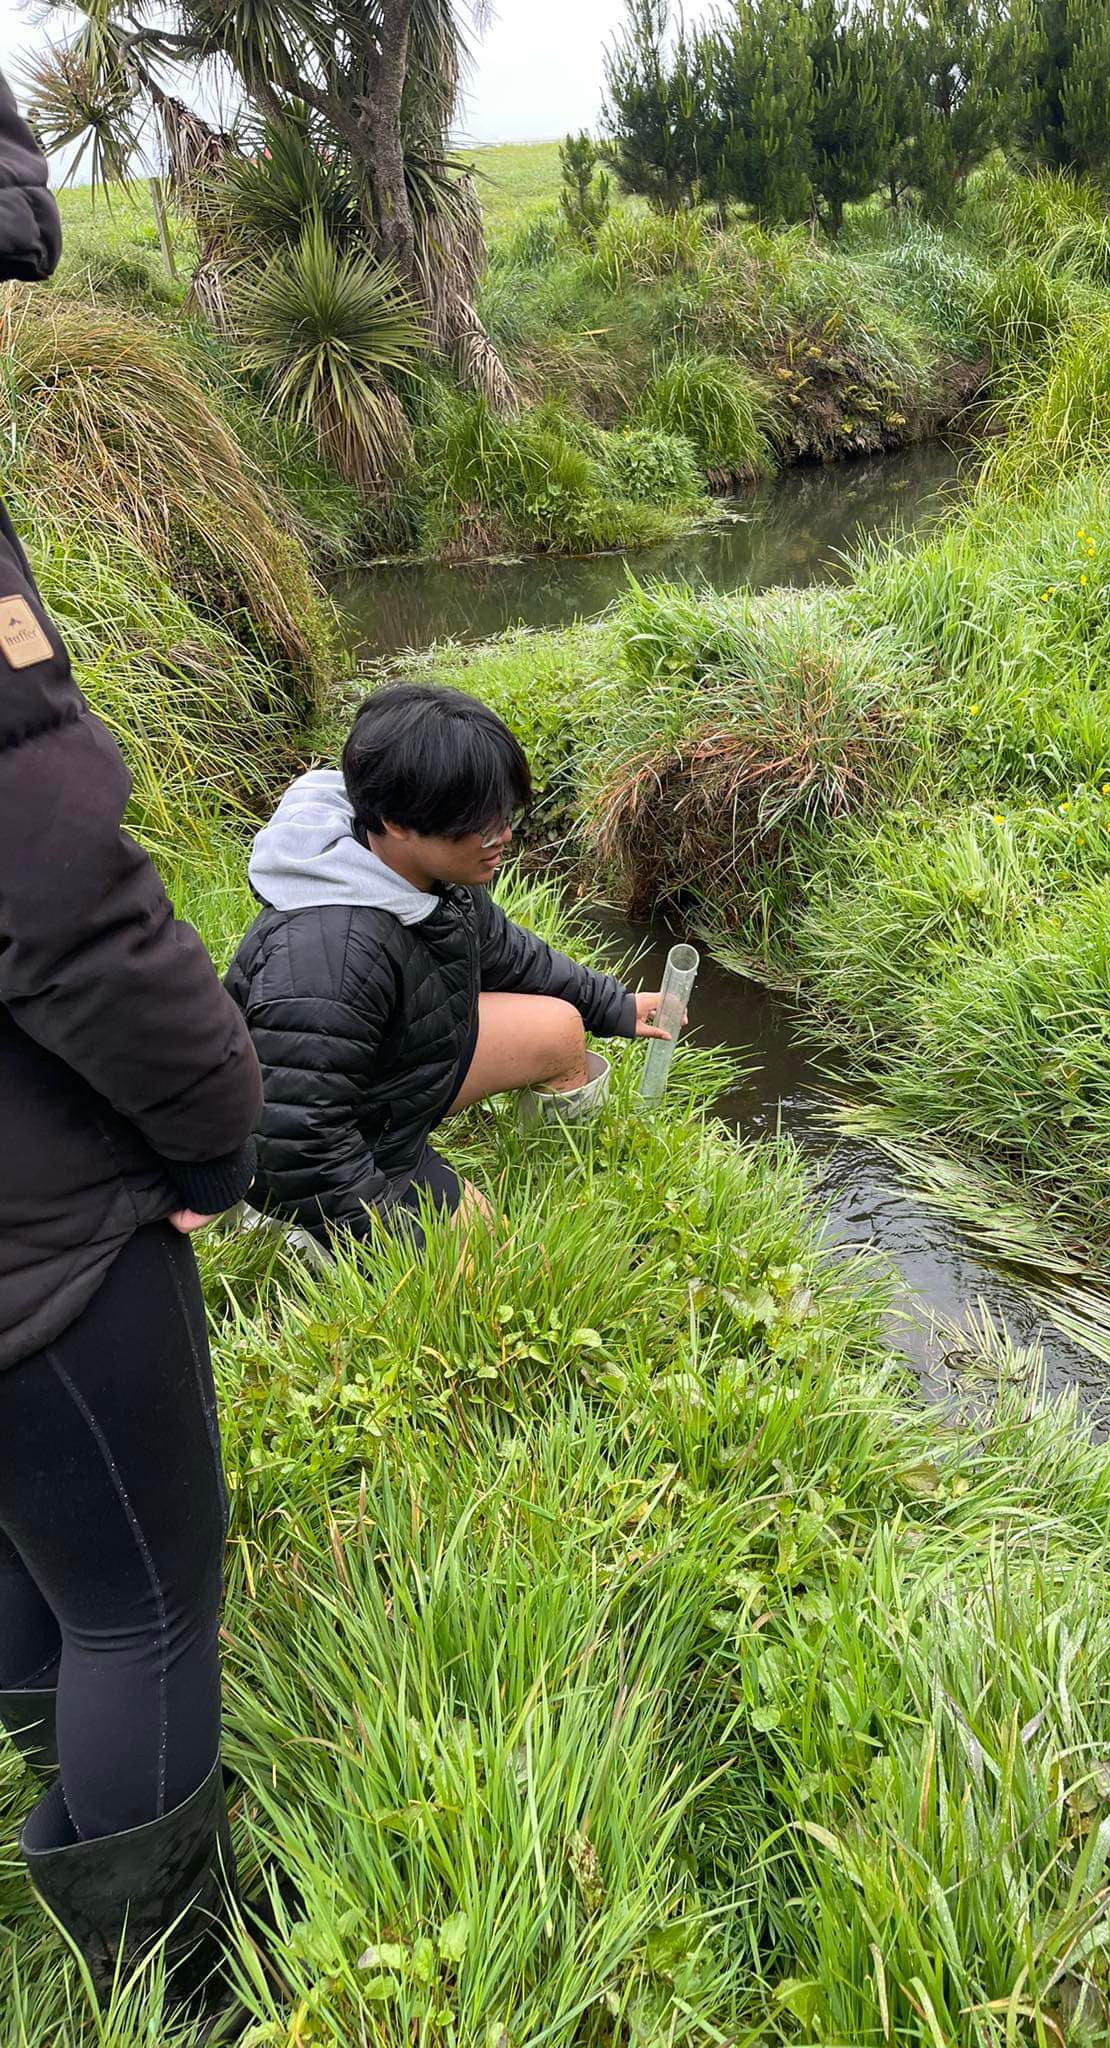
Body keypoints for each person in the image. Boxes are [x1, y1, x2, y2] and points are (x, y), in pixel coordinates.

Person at [0, 67, 263, 2008]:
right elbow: (67, 898)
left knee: (43, 1540)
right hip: (32, 1215)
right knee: (151, 1603)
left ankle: (36, 1757)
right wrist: (216, 1128)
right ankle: (164, 1979)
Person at [226, 683, 670, 1243]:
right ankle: (279, 1235)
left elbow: (508, 954)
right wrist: (401, 1241)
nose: (504, 836)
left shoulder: (428, 874)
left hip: (391, 1085)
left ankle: (570, 1167)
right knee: (489, 1255)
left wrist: (616, 1007)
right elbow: (298, 1146)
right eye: (481, 824)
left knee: (560, 1029)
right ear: (396, 822)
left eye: (505, 814)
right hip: (343, 1151)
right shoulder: (328, 955)